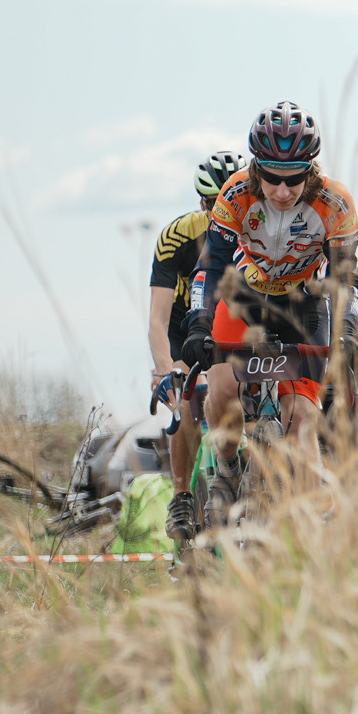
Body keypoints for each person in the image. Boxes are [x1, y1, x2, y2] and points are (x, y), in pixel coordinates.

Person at [181, 104, 358, 484]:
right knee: (224, 394)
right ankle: (228, 468)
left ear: (311, 169)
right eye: (272, 178)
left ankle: (303, 533)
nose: (282, 191)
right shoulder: (235, 193)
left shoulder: (335, 203)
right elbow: (210, 267)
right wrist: (199, 322)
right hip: (244, 301)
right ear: (255, 168)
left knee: (302, 423)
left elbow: (344, 279)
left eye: (294, 179)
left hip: (303, 308)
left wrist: (346, 334)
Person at [151, 151, 241, 537]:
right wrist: (164, 369)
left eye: (228, 202)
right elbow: (157, 317)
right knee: (184, 398)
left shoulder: (254, 232)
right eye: (211, 204)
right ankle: (183, 497)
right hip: (180, 328)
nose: (220, 210)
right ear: (200, 203)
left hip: (228, 326)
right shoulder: (177, 238)